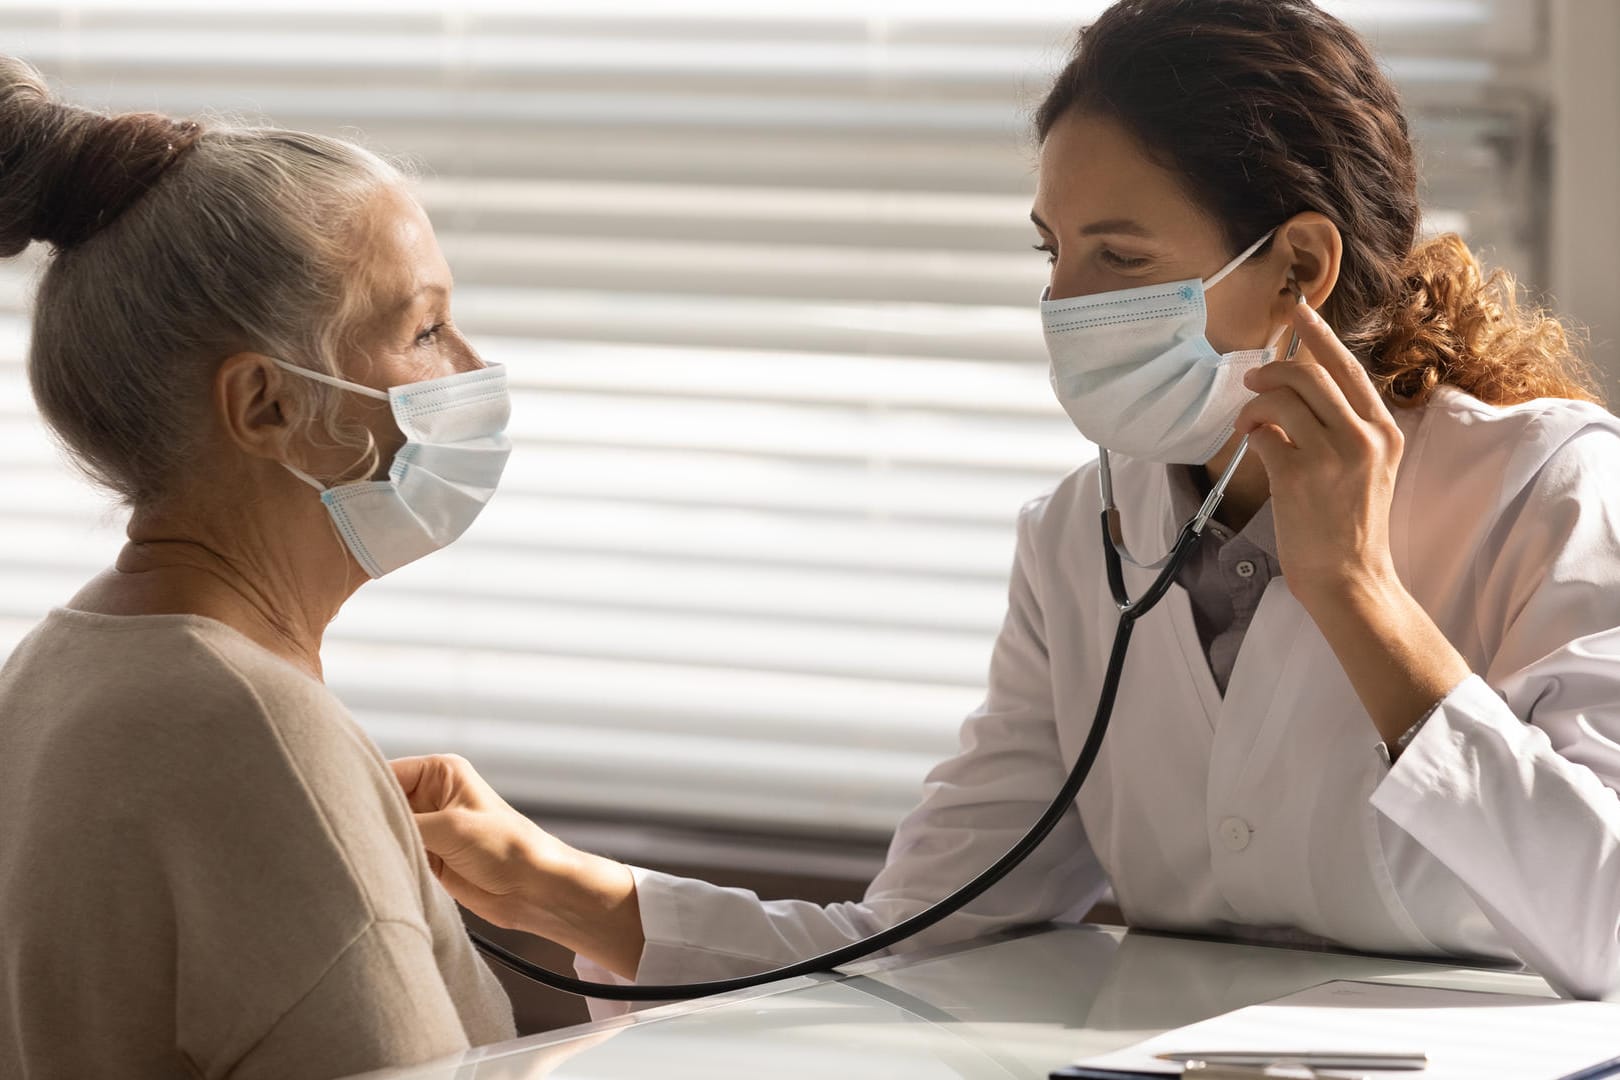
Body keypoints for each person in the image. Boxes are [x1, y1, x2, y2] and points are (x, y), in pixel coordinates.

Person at [390, 0, 1620, 1009]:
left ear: (1296, 266)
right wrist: (556, 886)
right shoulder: (1080, 536)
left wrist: (1356, 593)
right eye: (1054, 252)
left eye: (1119, 258)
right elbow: (921, 937)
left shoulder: (1549, 491)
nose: (1066, 305)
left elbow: (1608, 926)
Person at [0, 59, 516, 1078]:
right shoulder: (258, 736)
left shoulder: (49, 675)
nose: (473, 367)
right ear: (268, 407)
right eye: (424, 329)